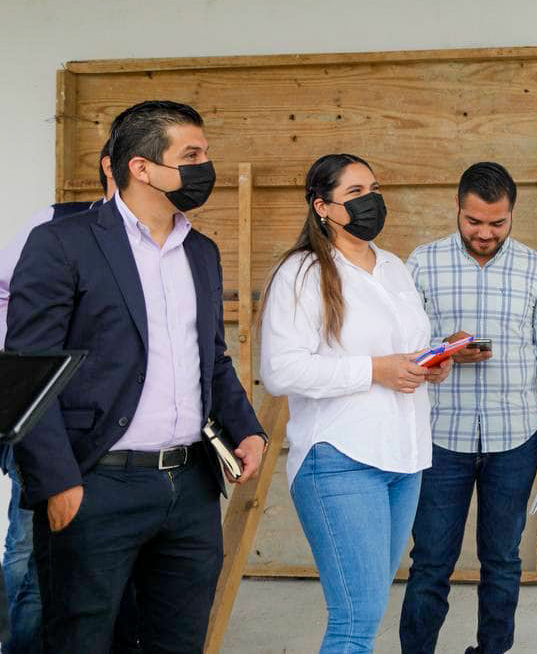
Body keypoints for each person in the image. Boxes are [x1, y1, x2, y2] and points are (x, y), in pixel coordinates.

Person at [6, 100, 266, 653]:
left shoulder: (201, 251)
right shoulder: (63, 243)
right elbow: (30, 372)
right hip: (97, 486)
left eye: (205, 154)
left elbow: (212, 357)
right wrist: (58, 483)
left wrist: (247, 428)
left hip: (190, 489)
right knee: (81, 642)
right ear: (141, 167)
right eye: (190, 155)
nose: (205, 167)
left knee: (178, 642)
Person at [259, 153, 451, 654]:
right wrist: (374, 370)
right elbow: (281, 371)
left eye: (375, 189)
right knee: (355, 620)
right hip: (340, 457)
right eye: (356, 193)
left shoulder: (393, 267)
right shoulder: (302, 273)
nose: (372, 201)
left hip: (404, 459)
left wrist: (428, 364)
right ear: (322, 206)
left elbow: (399, 351)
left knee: (369, 608)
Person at [400, 162, 537, 654]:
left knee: (502, 561)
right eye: (474, 221)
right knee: (431, 561)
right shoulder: (422, 264)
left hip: (514, 440)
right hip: (441, 438)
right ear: (458, 208)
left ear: (512, 213)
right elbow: (400, 348)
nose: (485, 233)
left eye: (497, 223)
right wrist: (444, 348)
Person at [0, 141, 115, 653]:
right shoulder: (55, 224)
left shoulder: (170, 241)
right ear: (113, 166)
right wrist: (32, 364)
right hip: (40, 412)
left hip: (107, 424)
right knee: (30, 549)